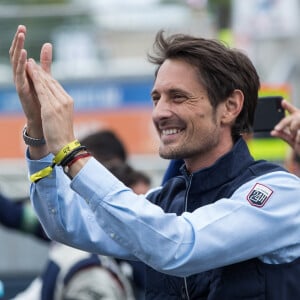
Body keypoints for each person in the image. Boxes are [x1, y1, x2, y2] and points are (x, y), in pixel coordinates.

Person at [10, 24, 300, 299]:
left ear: (230, 106)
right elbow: (66, 223)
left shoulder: (280, 192)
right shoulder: (164, 201)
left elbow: (179, 245)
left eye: (178, 97)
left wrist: (73, 154)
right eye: (156, 98)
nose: (160, 112)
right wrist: (39, 132)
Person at [2, 129, 150, 300]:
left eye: (79, 165)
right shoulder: (67, 222)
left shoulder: (131, 246)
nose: (71, 174)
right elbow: (14, 215)